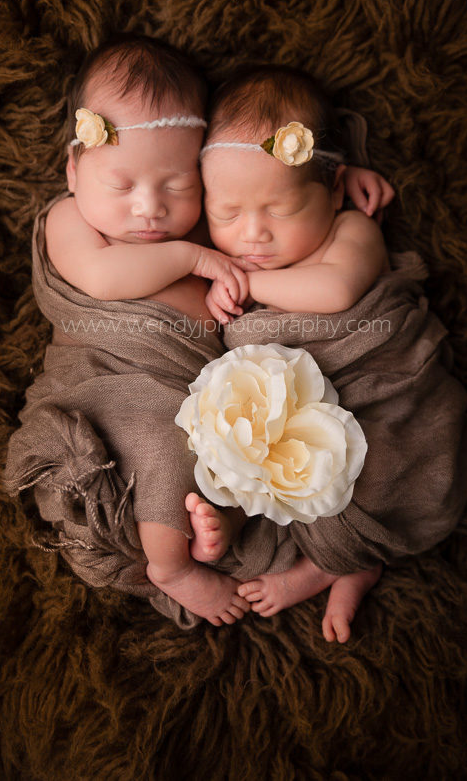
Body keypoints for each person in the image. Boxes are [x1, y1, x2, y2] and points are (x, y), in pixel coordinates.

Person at [26, 36, 392, 627]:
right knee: (160, 440)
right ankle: (172, 568)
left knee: (249, 456)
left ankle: (231, 532)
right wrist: (194, 262)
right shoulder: (73, 221)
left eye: (178, 185)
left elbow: (255, 189)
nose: (150, 208)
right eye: (122, 186)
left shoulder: (204, 230)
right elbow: (101, 276)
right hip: (110, 383)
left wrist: (325, 184)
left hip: (195, 391)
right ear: (73, 169)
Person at [191, 64, 409, 642]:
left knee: (375, 467)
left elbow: (335, 292)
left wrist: (245, 283)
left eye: (279, 210)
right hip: (294, 418)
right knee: (243, 452)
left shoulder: (350, 231)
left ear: (333, 190)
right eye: (228, 214)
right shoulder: (218, 247)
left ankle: (339, 563)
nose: (251, 235)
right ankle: (234, 518)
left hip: (377, 390)